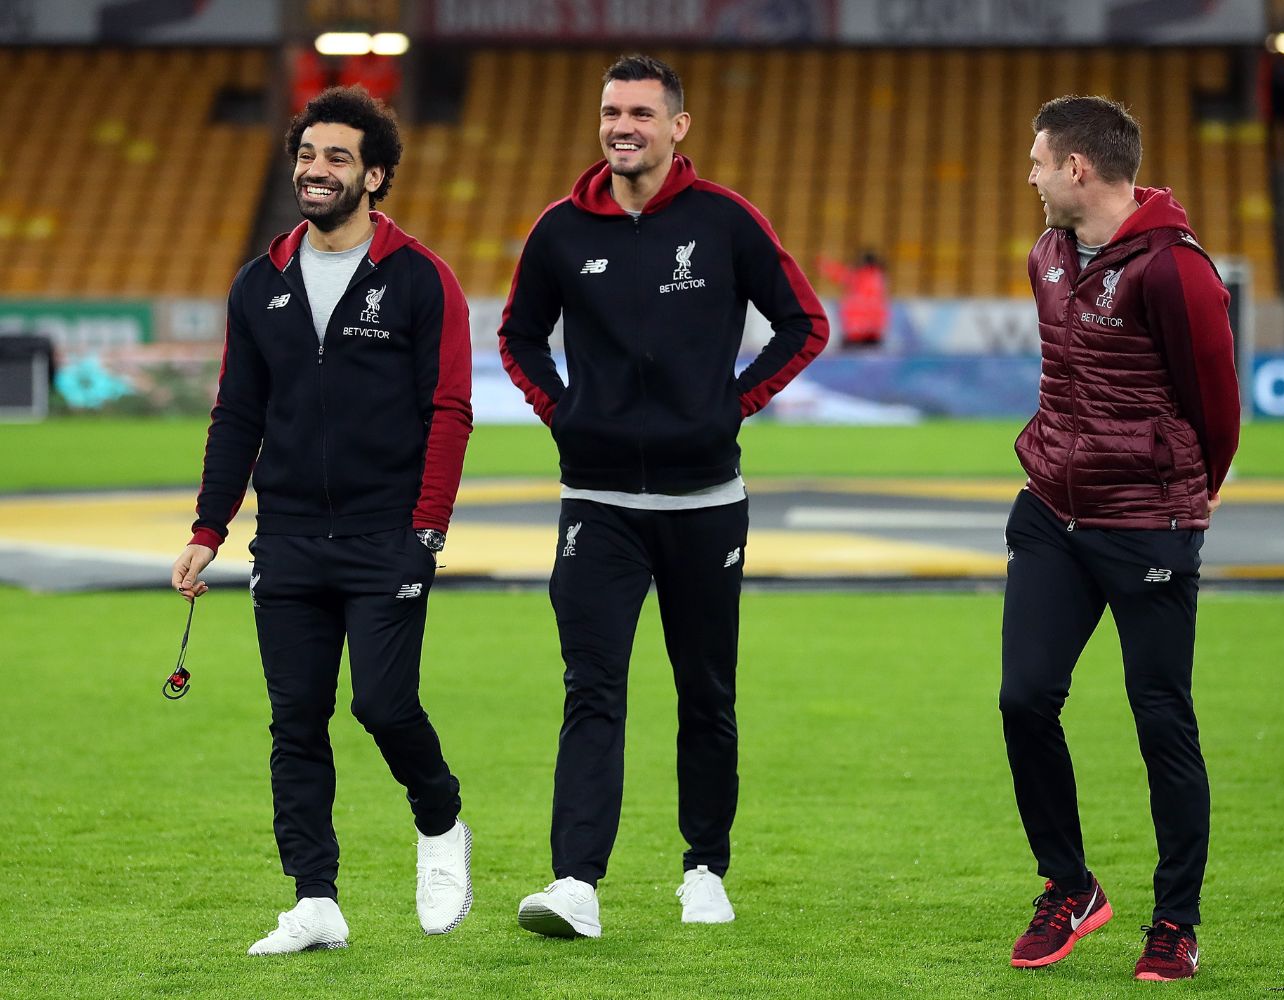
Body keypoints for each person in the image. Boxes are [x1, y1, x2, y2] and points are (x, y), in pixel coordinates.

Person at [499, 53, 827, 939]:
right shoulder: (560, 231)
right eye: (611, 111)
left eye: (642, 112)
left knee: (705, 692)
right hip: (597, 505)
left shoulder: (724, 221)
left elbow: (806, 323)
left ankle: (705, 868)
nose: (623, 126)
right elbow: (518, 337)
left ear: (678, 126)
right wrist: (565, 414)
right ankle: (575, 883)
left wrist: (732, 403)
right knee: (591, 689)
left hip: (705, 502)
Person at [170, 85, 476, 955]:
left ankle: (439, 820)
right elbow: (237, 414)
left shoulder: (421, 277)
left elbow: (449, 409)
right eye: (307, 154)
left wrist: (427, 530)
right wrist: (207, 529)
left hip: (388, 534)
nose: (316, 169)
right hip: (291, 538)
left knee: (383, 705)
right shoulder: (257, 283)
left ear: (374, 175)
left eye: (337, 157)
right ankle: (315, 899)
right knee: (295, 719)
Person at [1002, 95, 1239, 983]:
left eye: (1036, 162)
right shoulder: (1047, 255)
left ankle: (1175, 921)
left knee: (1160, 721)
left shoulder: (1178, 272)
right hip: (1050, 512)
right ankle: (1069, 887)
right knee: (1024, 699)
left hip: (1147, 525)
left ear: (1077, 169)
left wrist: (1181, 504)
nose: (1027, 175)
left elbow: (1218, 411)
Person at [818, 250, 889, 349]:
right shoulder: (880, 277)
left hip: (856, 329)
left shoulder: (858, 276)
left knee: (850, 357)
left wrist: (824, 265)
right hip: (874, 328)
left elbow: (840, 274)